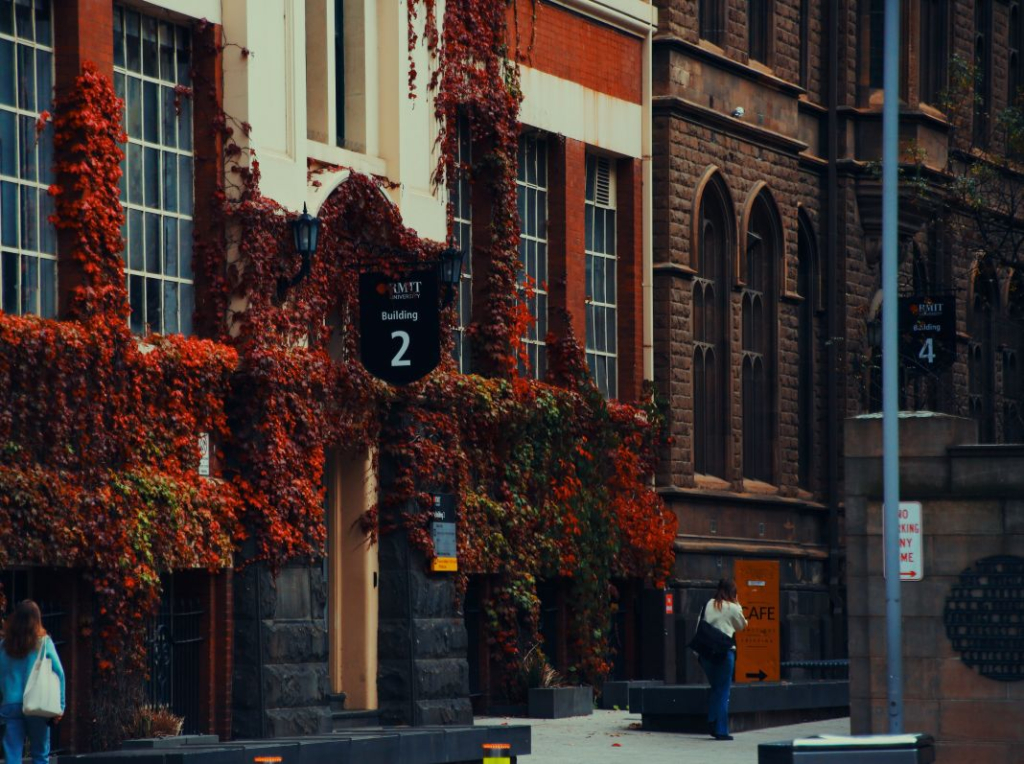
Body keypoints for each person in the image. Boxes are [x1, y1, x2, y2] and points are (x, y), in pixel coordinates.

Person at [0, 600, 66, 764]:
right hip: (38, 704)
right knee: (40, 755)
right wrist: (61, 706)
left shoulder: (4, 646)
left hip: (10, 704)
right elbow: (59, 673)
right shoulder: (44, 643)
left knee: (12, 756)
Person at [698, 578, 747, 741]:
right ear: (733, 592)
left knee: (716, 687)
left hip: (706, 653)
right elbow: (742, 625)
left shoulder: (708, 604)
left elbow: (699, 626)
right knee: (723, 689)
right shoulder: (733, 607)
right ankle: (721, 730)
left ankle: (713, 721)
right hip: (725, 653)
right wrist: (738, 603)